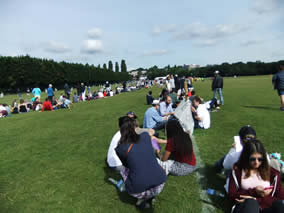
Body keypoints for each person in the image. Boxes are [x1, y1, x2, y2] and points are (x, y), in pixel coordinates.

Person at [115, 116, 167, 208]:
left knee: (124, 170)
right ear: (135, 126)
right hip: (160, 184)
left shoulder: (120, 148)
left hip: (137, 190)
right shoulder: (145, 136)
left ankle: (144, 197)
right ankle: (149, 196)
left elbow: (127, 166)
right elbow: (151, 133)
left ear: (121, 129)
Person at [228, 139, 284, 213]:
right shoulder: (237, 171)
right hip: (246, 207)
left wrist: (257, 199)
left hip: (266, 207)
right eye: (252, 159)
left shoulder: (273, 173)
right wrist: (254, 192)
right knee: (251, 203)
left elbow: (280, 197)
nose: (256, 162)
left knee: (279, 205)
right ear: (246, 157)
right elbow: (232, 195)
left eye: (260, 159)